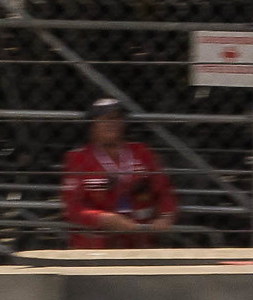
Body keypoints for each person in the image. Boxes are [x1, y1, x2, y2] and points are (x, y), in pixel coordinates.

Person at [61, 98, 177, 248]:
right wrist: (104, 219)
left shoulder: (142, 152)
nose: (111, 124)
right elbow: (72, 208)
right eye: (104, 119)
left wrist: (166, 216)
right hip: (95, 244)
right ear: (92, 125)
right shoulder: (77, 158)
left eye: (116, 118)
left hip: (140, 240)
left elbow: (164, 191)